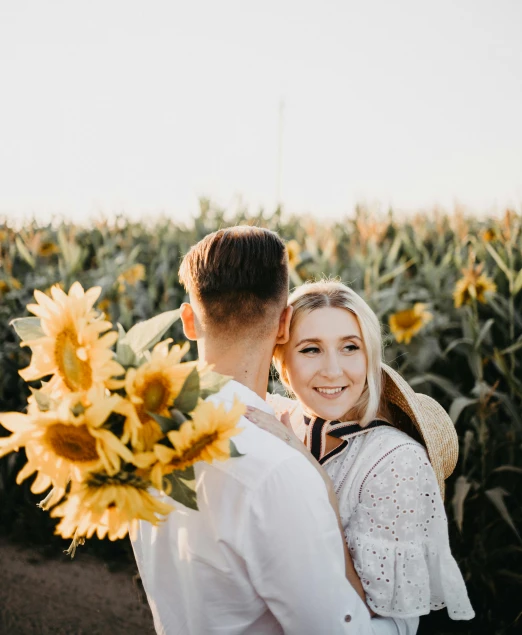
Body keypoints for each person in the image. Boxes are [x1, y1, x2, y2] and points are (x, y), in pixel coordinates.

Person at [131, 227, 411, 634]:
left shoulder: (144, 436)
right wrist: (402, 619)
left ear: (189, 322)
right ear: (284, 326)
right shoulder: (279, 471)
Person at [252, 279, 474, 629]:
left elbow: (369, 612)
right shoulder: (271, 420)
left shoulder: (395, 462)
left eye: (350, 348)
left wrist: (318, 489)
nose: (333, 370)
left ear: (370, 358)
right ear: (281, 363)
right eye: (311, 349)